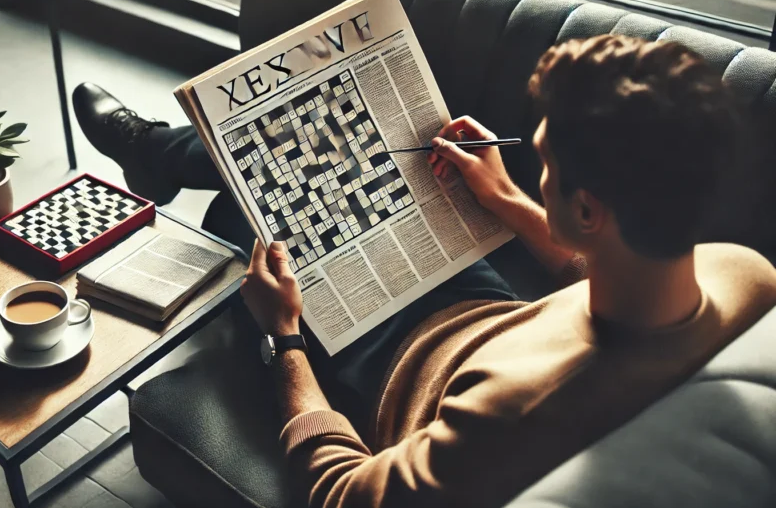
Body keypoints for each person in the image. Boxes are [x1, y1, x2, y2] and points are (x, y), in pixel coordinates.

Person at [77, 34, 776, 508]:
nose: (536, 173)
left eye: (547, 169)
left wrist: (284, 336)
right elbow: (608, 276)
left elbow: (344, 493)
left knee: (241, 217)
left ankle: (155, 155)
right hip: (486, 307)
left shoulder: (506, 415)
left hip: (381, 360)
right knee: (355, 165)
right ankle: (161, 153)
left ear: (589, 208)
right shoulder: (743, 274)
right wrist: (504, 196)